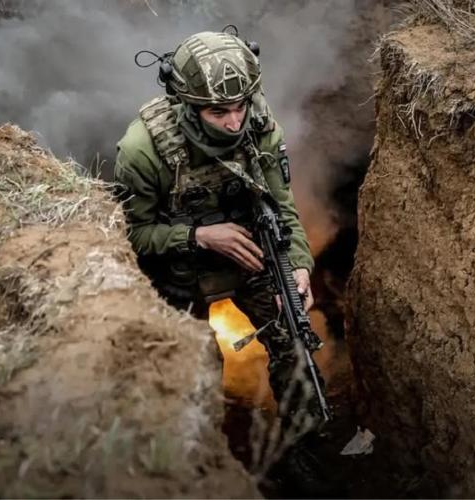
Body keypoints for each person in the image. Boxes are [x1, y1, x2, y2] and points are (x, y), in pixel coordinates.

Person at [115, 32, 326, 482]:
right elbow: (131, 234)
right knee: (194, 366)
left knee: (294, 338)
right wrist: (199, 236)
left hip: (251, 256)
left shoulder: (259, 125)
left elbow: (282, 205)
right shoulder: (142, 151)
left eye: (239, 107)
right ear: (188, 105)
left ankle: (304, 455)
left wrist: (298, 266)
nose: (234, 122)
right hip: (177, 271)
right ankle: (201, 469)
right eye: (218, 112)